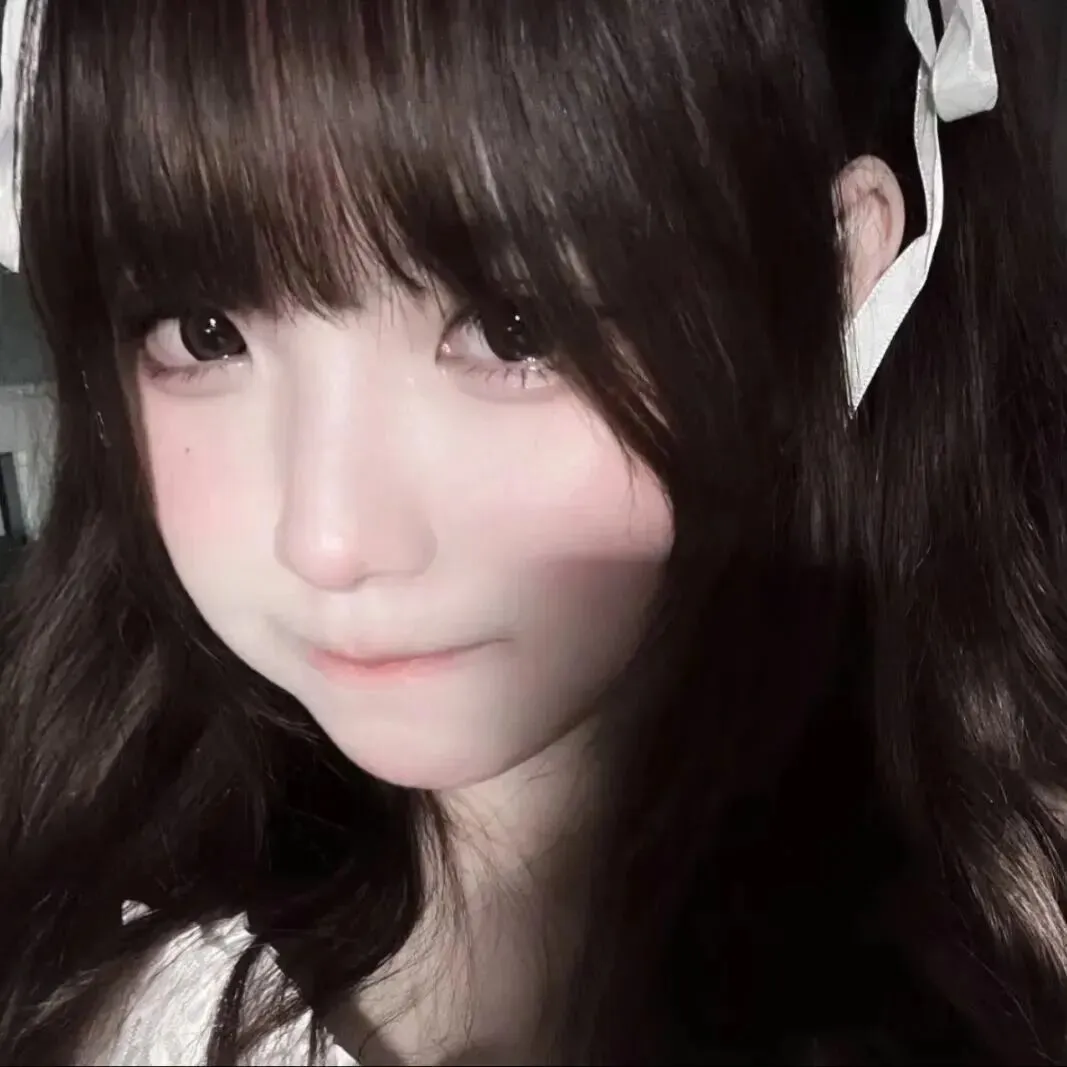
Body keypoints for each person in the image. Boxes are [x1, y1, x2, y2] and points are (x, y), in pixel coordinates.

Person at [0, 0, 1063, 1062]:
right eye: (205, 334)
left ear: (827, 283)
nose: (326, 538)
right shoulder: (93, 977)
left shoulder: (1013, 974)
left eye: (515, 327)